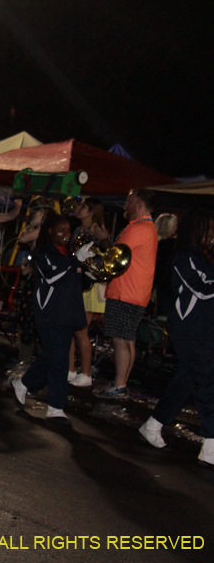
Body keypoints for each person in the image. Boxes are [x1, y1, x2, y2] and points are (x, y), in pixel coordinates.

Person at [137, 209, 214, 469]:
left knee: (189, 379)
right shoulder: (184, 256)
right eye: (209, 230)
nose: (213, 235)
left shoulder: (204, 257)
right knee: (205, 381)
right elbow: (200, 290)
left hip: (203, 329)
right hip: (190, 329)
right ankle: (211, 442)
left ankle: (154, 424)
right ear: (197, 230)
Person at [13, 214, 94, 425]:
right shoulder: (43, 253)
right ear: (49, 231)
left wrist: (91, 273)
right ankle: (56, 407)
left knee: (53, 356)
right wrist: (76, 261)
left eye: (68, 231)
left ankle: (23, 384)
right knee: (59, 361)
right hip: (50, 313)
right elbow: (52, 276)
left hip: (69, 312)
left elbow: (80, 281)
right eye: (61, 231)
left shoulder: (69, 254)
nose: (66, 235)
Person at [102, 188, 158, 397]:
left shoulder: (139, 229)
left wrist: (104, 239)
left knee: (120, 339)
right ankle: (121, 383)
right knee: (127, 339)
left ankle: (119, 385)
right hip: (135, 292)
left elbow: (114, 256)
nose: (125, 205)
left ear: (139, 205)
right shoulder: (146, 228)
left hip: (126, 291)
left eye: (128, 201)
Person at [68, 197, 111, 388]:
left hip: (90, 286)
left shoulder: (98, 231)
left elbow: (106, 259)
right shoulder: (78, 230)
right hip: (76, 282)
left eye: (83, 207)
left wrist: (104, 242)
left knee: (80, 331)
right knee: (68, 329)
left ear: (92, 211)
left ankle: (85, 373)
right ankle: (69, 370)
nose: (78, 209)